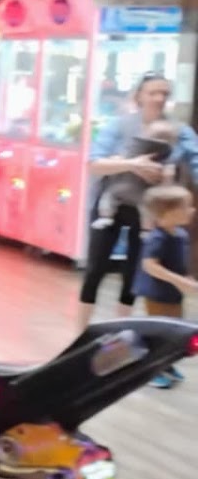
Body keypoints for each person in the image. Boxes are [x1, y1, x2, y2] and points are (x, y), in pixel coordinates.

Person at [79, 73, 198, 325]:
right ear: (139, 96)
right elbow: (94, 163)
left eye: (164, 93)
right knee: (95, 269)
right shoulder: (119, 125)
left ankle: (120, 329)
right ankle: (81, 331)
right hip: (112, 202)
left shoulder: (180, 131)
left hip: (148, 210)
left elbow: (196, 162)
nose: (159, 98)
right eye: (153, 92)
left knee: (134, 273)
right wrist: (132, 164)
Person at [134, 183, 196, 388]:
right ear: (167, 213)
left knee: (173, 330)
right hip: (156, 294)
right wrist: (179, 281)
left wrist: (186, 278)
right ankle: (149, 370)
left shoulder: (181, 235)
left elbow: (179, 263)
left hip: (173, 294)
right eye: (186, 206)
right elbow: (149, 265)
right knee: (159, 332)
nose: (192, 210)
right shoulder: (157, 238)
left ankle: (165, 364)